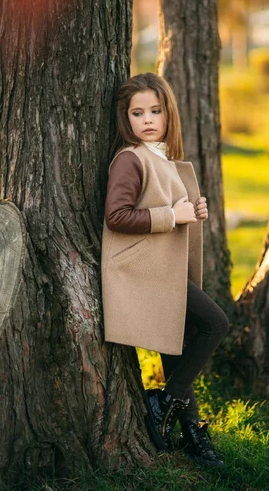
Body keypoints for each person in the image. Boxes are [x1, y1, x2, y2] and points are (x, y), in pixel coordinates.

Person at [101, 72, 230, 469]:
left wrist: (193, 212)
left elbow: (175, 207)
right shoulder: (130, 158)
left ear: (167, 113)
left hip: (165, 271)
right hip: (143, 270)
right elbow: (117, 216)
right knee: (215, 324)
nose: (148, 119)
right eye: (137, 113)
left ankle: (190, 432)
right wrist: (171, 216)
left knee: (180, 342)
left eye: (155, 110)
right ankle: (163, 399)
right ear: (126, 119)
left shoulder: (162, 158)